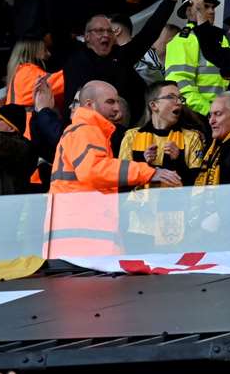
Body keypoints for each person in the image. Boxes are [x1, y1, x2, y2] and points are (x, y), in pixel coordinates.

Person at [46, 81, 180, 258]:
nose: (118, 108)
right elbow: (94, 170)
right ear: (89, 105)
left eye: (117, 102)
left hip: (79, 240)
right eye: (110, 102)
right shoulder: (85, 131)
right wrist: (149, 172)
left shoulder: (86, 132)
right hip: (82, 243)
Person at [118, 80, 208, 179]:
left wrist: (178, 160)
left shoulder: (191, 137)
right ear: (153, 105)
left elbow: (198, 183)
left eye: (180, 98)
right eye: (171, 97)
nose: (178, 102)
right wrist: (143, 163)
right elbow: (122, 178)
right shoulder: (132, 136)